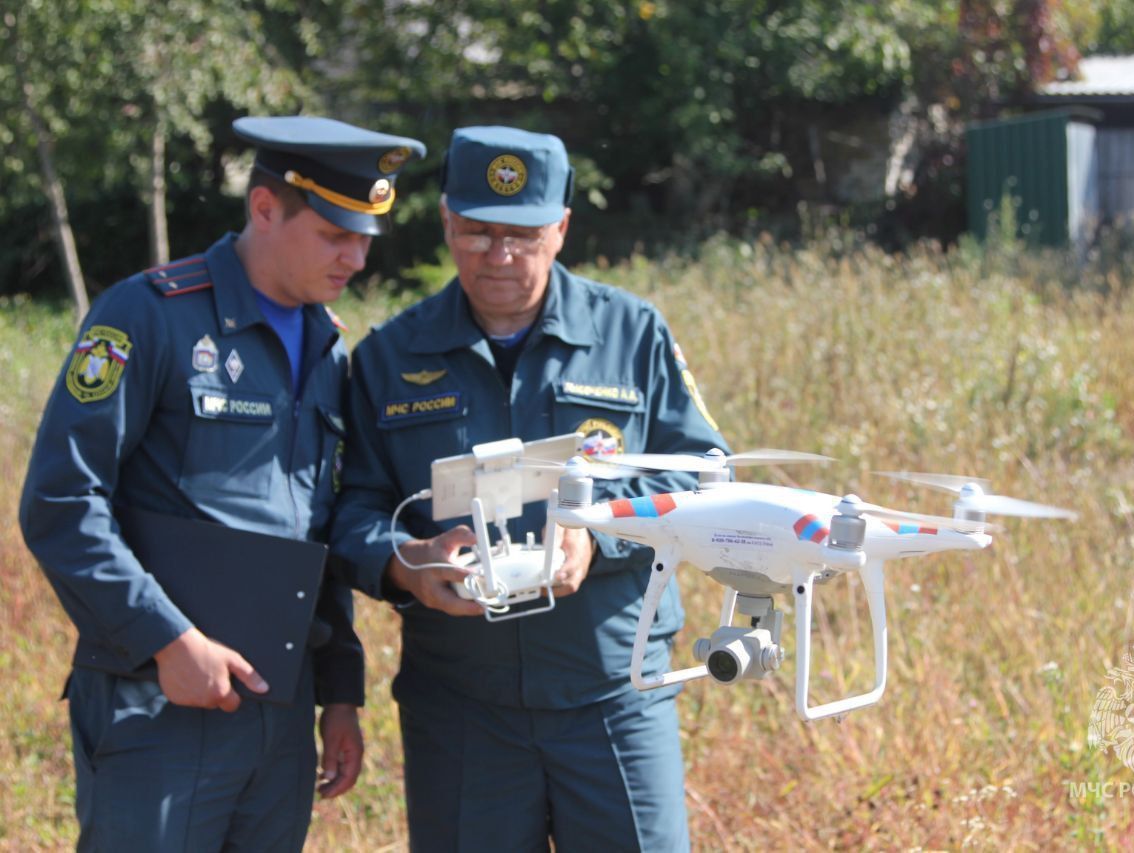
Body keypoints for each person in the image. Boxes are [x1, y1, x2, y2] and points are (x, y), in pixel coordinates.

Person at [19, 115, 426, 852]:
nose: (358, 257)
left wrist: (339, 689)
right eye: (336, 233)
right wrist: (166, 639)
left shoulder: (330, 350)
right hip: (157, 706)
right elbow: (60, 500)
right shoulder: (150, 316)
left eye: (366, 236)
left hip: (279, 715)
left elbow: (316, 531)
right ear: (265, 209)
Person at [331, 125, 728, 851]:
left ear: (563, 227)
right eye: (478, 233)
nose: (501, 257)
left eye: (524, 235)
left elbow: (704, 473)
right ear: (446, 220)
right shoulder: (390, 355)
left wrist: (597, 532)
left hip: (613, 694)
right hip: (461, 709)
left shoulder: (631, 334)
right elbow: (350, 507)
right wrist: (404, 561)